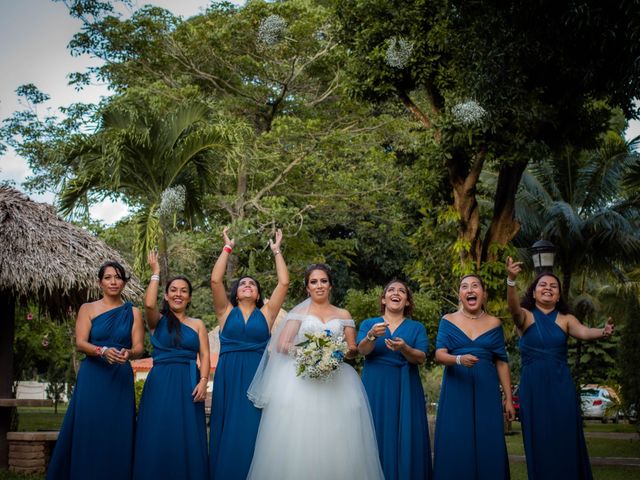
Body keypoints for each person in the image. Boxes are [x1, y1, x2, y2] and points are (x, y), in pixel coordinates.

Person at [246, 264, 384, 480]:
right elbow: (283, 344)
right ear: (307, 288)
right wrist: (310, 354)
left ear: (330, 285)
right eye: (314, 282)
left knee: (337, 439)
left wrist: (334, 353)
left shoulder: (343, 314)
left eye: (323, 281)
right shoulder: (299, 313)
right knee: (301, 438)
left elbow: (352, 351)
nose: (319, 285)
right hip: (300, 382)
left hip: (337, 382)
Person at [506, 257, 614, 480]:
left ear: (558, 294)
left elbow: (584, 332)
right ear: (534, 293)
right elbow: (513, 308)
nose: (548, 288)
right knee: (539, 438)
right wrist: (511, 281)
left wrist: (602, 332)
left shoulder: (566, 319)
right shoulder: (525, 316)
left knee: (565, 437)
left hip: (561, 385)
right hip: (533, 386)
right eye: (542, 285)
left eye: (553, 286)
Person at [47, 261, 144, 480]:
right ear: (99, 282)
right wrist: (102, 350)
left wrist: (129, 353)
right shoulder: (87, 308)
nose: (113, 281)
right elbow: (80, 343)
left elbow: (139, 347)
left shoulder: (134, 312)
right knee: (89, 427)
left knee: (117, 431)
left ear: (124, 282)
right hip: (93, 376)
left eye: (118, 277)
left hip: (120, 376)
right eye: (108, 277)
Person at [209, 227, 289, 480]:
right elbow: (215, 281)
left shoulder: (266, 314)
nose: (247, 286)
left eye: (252, 284)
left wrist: (276, 251)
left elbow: (284, 282)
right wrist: (227, 248)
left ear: (257, 294)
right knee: (227, 423)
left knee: (252, 426)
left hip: (257, 374)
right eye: (242, 283)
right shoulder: (224, 312)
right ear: (236, 291)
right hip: (228, 373)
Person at [132, 251, 210, 480]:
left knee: (186, 435)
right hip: (161, 382)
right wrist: (156, 273)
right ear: (166, 296)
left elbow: (204, 355)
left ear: (189, 298)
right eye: (174, 290)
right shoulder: (158, 322)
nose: (178, 294)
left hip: (189, 382)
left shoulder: (197, 324)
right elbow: (148, 303)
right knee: (159, 430)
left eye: (183, 291)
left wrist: (203, 381)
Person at [433, 274, 515, 480]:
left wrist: (508, 399)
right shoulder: (448, 320)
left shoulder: (495, 323)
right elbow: (439, 355)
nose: (470, 290)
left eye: (475, 286)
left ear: (483, 294)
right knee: (456, 440)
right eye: (464, 287)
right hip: (456, 390)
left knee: (489, 440)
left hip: (486, 390)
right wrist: (459, 359)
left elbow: (502, 361)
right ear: (460, 295)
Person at [357, 279, 432, 480]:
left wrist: (405, 348)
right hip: (376, 386)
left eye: (401, 291)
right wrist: (371, 336)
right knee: (375, 431)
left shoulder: (416, 328)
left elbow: (421, 357)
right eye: (391, 290)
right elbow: (361, 351)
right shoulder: (369, 324)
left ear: (407, 301)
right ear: (384, 299)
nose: (396, 293)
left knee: (407, 434)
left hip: (406, 385)